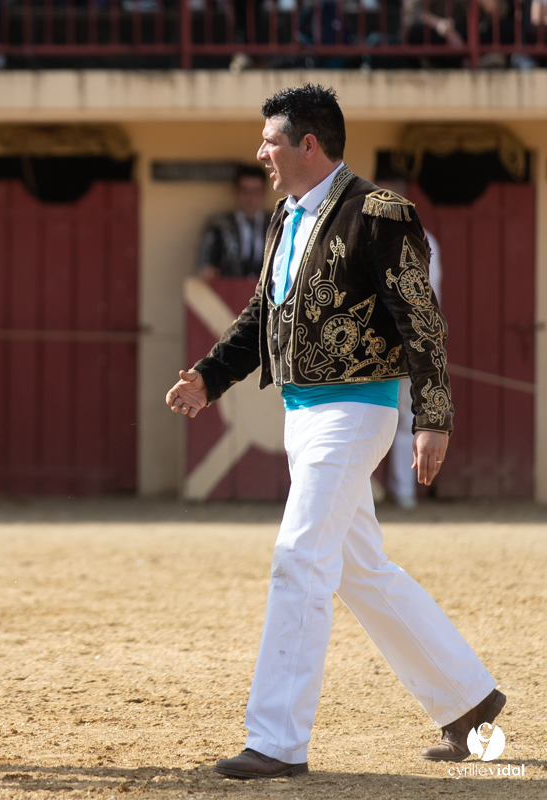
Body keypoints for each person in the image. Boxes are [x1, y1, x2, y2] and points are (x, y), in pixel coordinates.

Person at [166, 85, 503, 779]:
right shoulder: (287, 217)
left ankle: (277, 741)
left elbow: (422, 322)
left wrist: (433, 417)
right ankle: (468, 700)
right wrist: (208, 375)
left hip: (356, 411)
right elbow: (265, 313)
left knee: (299, 558)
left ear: (307, 144)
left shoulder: (380, 214)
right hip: (303, 411)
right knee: (357, 567)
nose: (260, 152)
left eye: (270, 141)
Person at [374, 169, 443, 510]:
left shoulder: (424, 239)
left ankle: (404, 493)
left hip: (407, 348)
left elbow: (430, 304)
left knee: (405, 417)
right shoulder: (361, 236)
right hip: (366, 349)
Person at [196, 165, 269, 280]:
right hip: (228, 293)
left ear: (264, 193)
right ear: (236, 191)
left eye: (256, 191)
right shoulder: (218, 225)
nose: (250, 197)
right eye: (244, 191)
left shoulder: (277, 224)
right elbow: (205, 268)